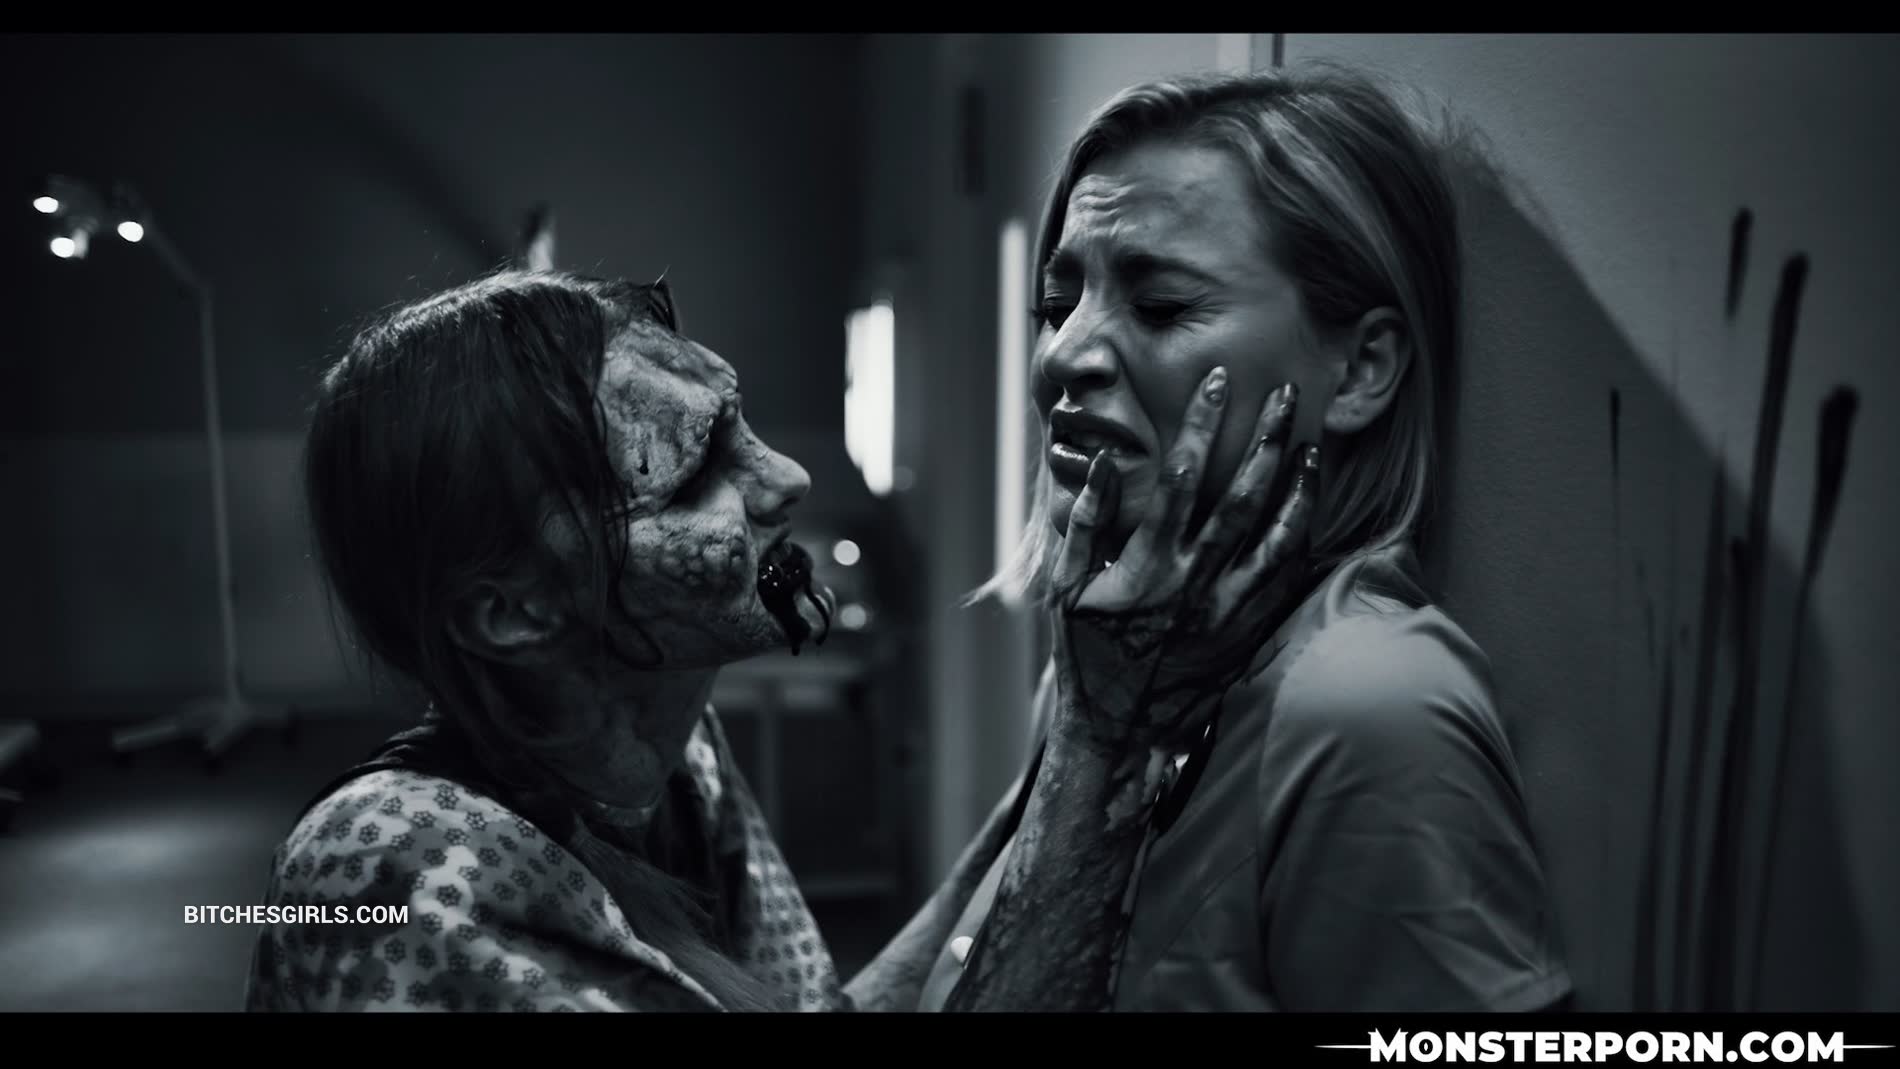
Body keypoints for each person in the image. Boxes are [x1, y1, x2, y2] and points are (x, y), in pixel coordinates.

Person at [242, 267, 1318, 1012]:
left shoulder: (670, 752)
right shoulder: (388, 867)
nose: (786, 479)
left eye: (740, 425)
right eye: (696, 476)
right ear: (513, 611)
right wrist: (1098, 738)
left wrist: (1069, 741)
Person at [917, 63, 1574, 1012]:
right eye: (1057, 307)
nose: (1061, 354)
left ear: (1362, 370)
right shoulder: (1106, 672)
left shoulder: (1366, 711)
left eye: (1160, 306)